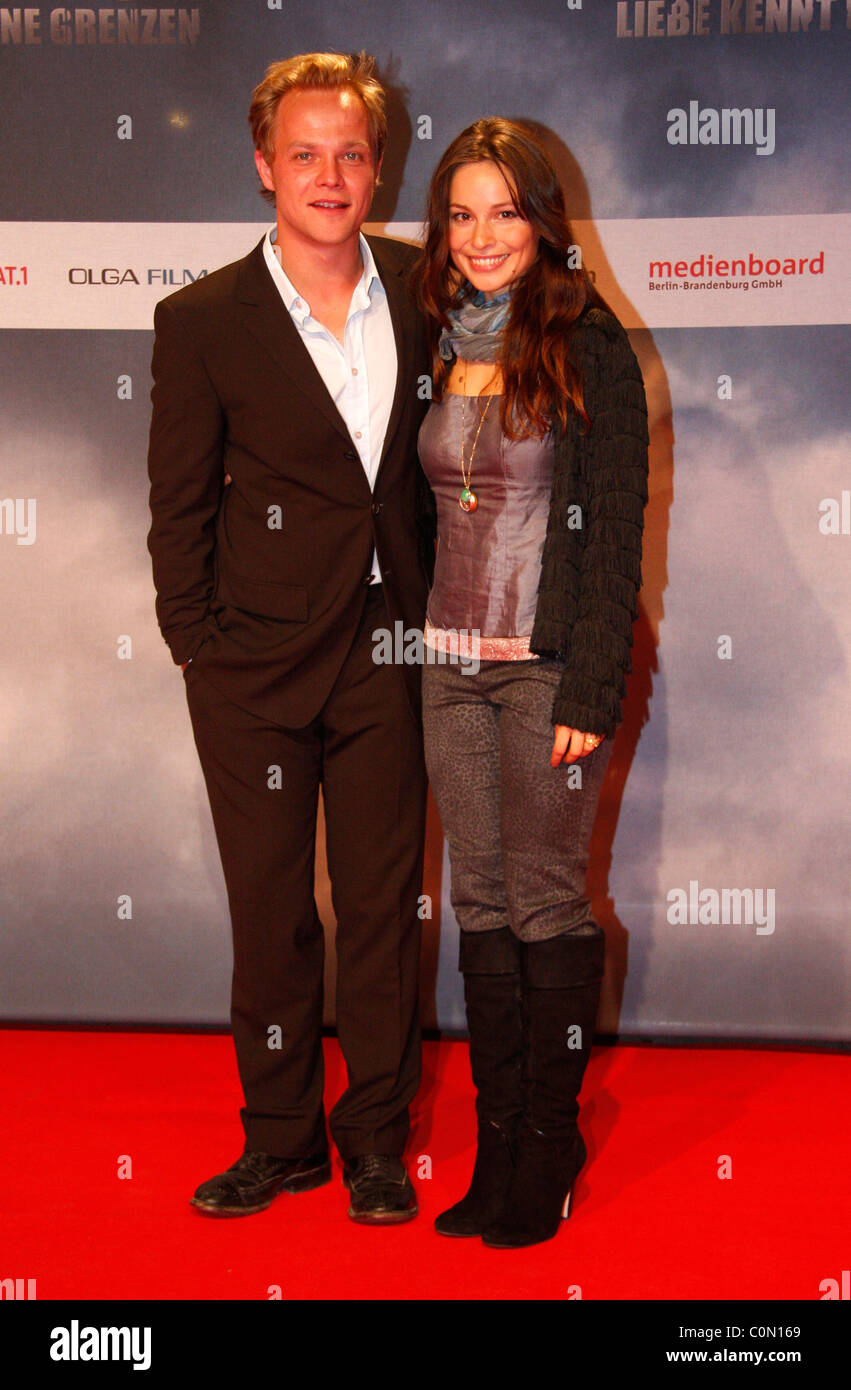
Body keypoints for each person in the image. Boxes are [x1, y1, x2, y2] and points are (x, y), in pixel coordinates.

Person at [146, 52, 435, 1225]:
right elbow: (175, 502)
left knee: (378, 909)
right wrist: (198, 647)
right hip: (252, 663)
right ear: (264, 165)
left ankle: (372, 1141)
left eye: (351, 152)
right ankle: (281, 1142)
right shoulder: (202, 317)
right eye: (305, 152)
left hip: (389, 650)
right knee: (271, 914)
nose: (330, 174)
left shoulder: (424, 291)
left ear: (379, 166)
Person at [413, 119, 649, 1248]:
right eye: (460, 212)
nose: (480, 236)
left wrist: (590, 691)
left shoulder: (587, 341)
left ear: (542, 219)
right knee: (478, 904)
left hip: (545, 667)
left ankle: (545, 1154)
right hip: (443, 670)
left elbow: (612, 535)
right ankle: (496, 1144)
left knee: (545, 906)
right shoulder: (428, 334)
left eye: (504, 210)